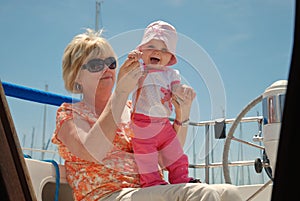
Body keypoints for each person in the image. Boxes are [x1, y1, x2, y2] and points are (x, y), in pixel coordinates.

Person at [51, 28, 243, 201]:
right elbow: (92, 152)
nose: (107, 70)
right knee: (204, 194)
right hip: (106, 195)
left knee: (228, 192)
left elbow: (164, 156)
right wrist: (121, 92)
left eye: (110, 63)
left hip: (145, 191)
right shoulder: (69, 114)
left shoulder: (132, 108)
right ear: (76, 76)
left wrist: (182, 115)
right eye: (95, 65)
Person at [128, 20, 199, 187]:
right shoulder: (139, 70)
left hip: (164, 124)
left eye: (164, 50)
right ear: (142, 51)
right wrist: (132, 61)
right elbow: (127, 82)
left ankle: (181, 178)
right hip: (141, 123)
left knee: (176, 154)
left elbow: (177, 89)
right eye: (151, 46)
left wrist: (185, 91)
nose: (157, 52)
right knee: (146, 156)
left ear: (169, 58)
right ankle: (152, 182)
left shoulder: (172, 74)